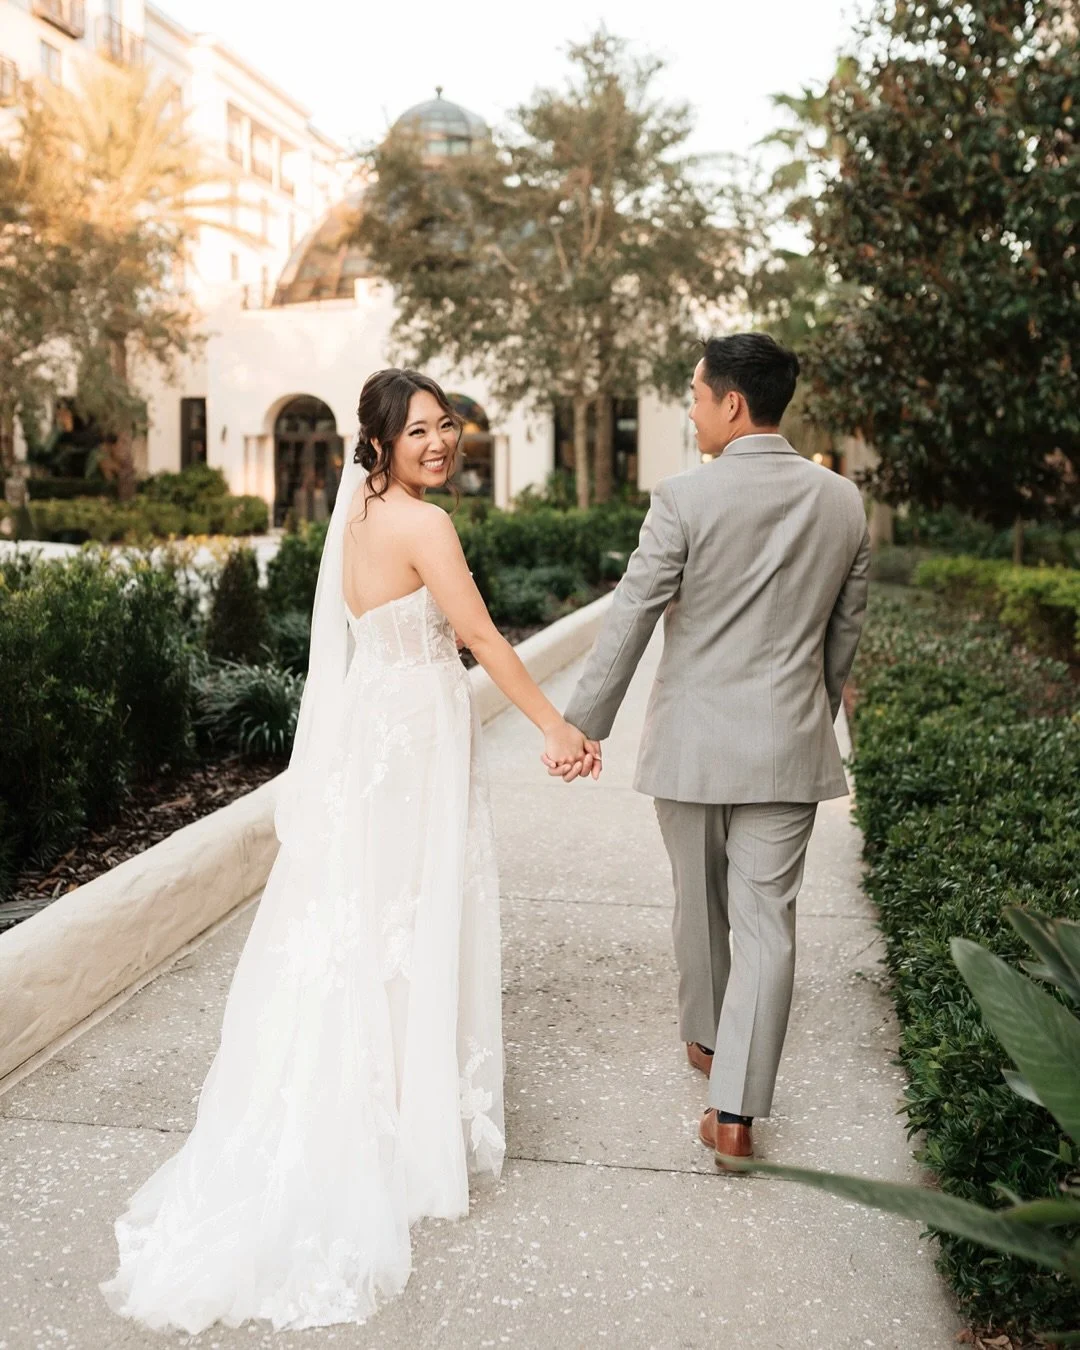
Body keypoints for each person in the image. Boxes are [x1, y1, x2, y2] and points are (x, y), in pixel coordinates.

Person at [99, 368, 599, 1334]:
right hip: (413, 739)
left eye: (445, 426)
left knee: (370, 915)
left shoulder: (362, 513)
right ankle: (406, 1125)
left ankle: (391, 1097)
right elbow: (483, 639)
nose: (440, 443)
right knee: (414, 907)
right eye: (418, 432)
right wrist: (555, 726)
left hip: (378, 728)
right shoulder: (428, 526)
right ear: (377, 443)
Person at [549, 333, 870, 1170]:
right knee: (767, 923)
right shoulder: (843, 503)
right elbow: (844, 637)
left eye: (694, 395)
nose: (691, 408)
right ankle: (734, 1113)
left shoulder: (684, 498)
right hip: (788, 744)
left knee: (698, 900)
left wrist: (586, 722)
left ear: (732, 402)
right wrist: (811, 712)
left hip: (693, 744)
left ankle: (706, 1040)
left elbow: (634, 611)